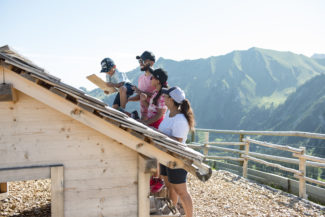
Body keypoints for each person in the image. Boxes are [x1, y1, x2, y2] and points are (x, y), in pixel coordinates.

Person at [158, 86, 195, 217]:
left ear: (172, 100)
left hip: (177, 158)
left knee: (181, 191)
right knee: (169, 187)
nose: (163, 99)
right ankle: (172, 212)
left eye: (166, 97)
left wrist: (159, 135)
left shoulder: (180, 120)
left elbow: (178, 140)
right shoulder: (168, 114)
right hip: (166, 156)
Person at [128, 51, 156, 120]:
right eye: (139, 61)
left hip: (153, 118)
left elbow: (157, 95)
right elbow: (140, 96)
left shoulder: (156, 78)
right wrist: (128, 99)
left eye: (143, 60)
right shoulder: (141, 78)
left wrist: (139, 91)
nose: (140, 63)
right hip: (143, 116)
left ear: (151, 62)